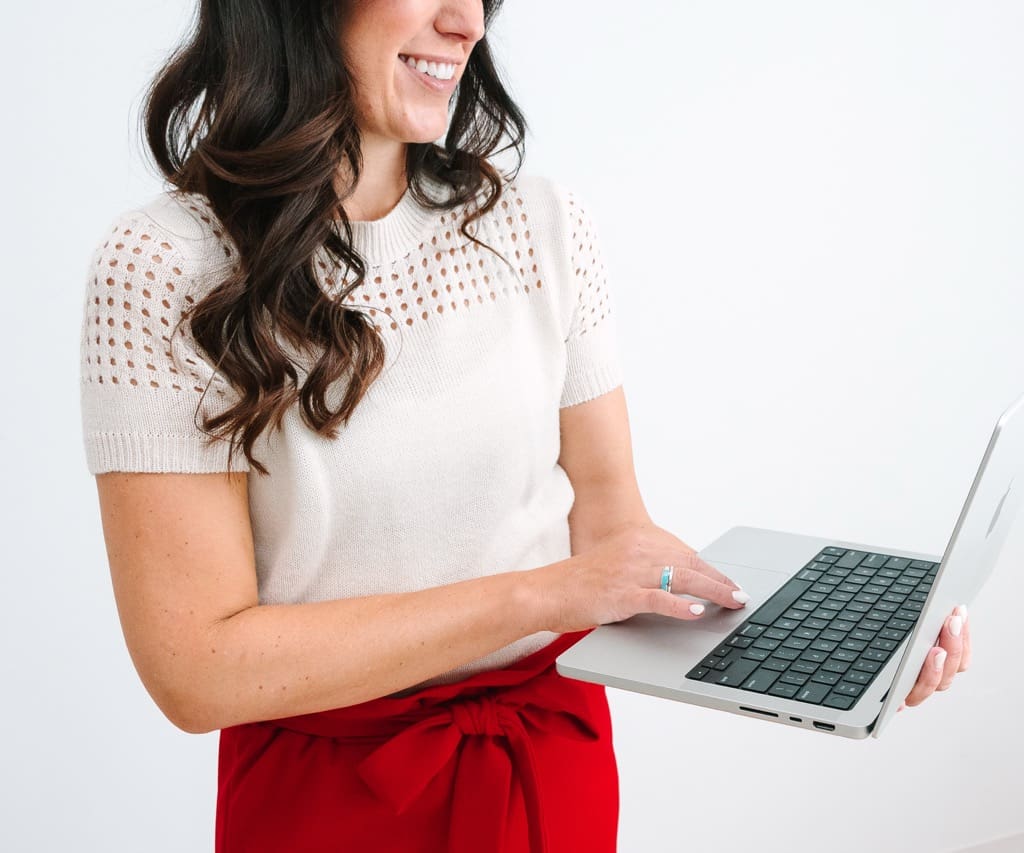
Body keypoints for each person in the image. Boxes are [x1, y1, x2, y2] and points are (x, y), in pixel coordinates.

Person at [78, 1, 973, 850]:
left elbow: (613, 528)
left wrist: (831, 650)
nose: (468, 22)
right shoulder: (166, 268)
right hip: (334, 799)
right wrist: (545, 594)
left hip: (548, 766)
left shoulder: (540, 226)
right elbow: (197, 669)